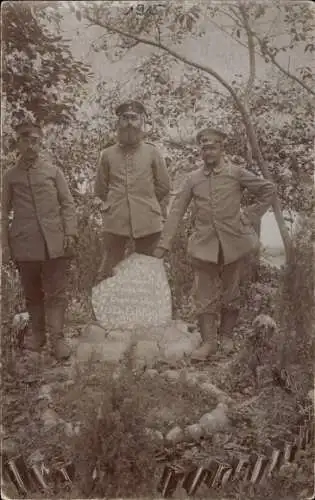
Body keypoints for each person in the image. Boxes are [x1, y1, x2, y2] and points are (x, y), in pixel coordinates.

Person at [154, 127, 275, 361]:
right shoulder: (193, 179)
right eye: (204, 147)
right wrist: (164, 243)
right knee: (203, 296)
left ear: (222, 148)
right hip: (204, 246)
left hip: (233, 244)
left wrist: (249, 216)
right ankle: (209, 342)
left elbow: (268, 189)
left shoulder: (235, 173)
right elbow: (176, 211)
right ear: (200, 150)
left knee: (231, 293)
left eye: (212, 147)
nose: (208, 151)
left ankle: (227, 336)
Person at [2, 122, 78, 361]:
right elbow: (3, 212)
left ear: (41, 142)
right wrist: (4, 245)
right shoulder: (10, 176)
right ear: (18, 143)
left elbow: (67, 204)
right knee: (32, 293)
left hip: (55, 242)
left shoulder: (53, 172)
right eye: (26, 140)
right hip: (24, 244)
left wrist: (70, 233)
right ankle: (37, 335)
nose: (31, 145)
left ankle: (58, 339)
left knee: (56, 293)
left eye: (35, 140)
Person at [94, 100, 171, 280]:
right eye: (125, 118)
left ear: (141, 122)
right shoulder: (107, 155)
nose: (129, 123)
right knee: (108, 272)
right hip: (115, 221)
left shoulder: (153, 153)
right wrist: (116, 203)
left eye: (134, 118)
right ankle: (109, 307)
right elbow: (100, 189)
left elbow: (164, 186)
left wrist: (146, 202)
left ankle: (150, 307)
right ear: (118, 122)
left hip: (147, 221)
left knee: (148, 271)